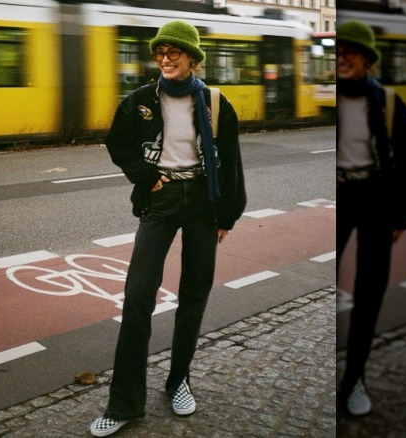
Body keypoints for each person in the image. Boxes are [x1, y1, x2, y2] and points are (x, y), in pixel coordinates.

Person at [89, 20, 247, 437]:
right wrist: (143, 175)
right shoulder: (141, 99)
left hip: (202, 204)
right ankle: (124, 404)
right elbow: (116, 144)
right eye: (160, 53)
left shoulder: (215, 101)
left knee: (194, 294)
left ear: (192, 58)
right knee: (137, 295)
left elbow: (230, 161)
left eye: (173, 53)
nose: (165, 59)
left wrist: (228, 215)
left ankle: (179, 381)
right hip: (159, 202)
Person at [335, 20, 406, 417]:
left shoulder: (388, 102)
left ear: (367, 59)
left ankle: (354, 379)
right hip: (338, 195)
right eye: (337, 51)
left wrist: (403, 215)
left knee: (369, 294)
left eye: (350, 51)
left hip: (375, 198)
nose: (342, 57)